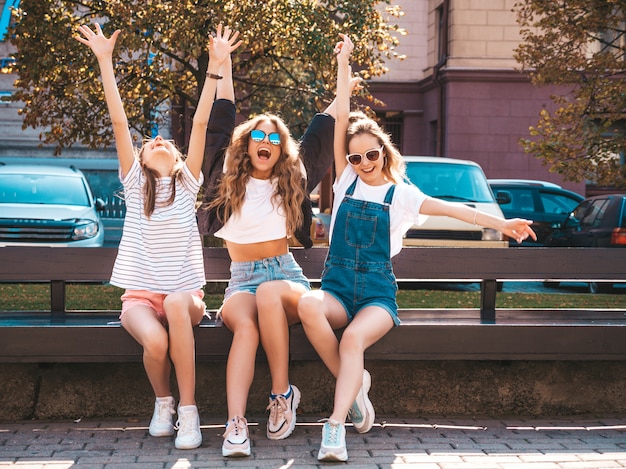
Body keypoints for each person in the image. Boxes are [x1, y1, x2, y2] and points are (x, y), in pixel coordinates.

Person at [297, 34, 538, 462]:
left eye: (370, 155)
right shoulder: (345, 181)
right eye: (354, 158)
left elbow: (459, 210)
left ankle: (335, 427)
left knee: (353, 340)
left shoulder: (402, 193)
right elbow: (341, 113)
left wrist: (502, 222)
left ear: (383, 152)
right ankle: (354, 385)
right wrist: (344, 63)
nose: (363, 164)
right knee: (309, 307)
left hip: (375, 296)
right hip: (334, 289)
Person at [75, 23, 242, 450]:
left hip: (184, 295)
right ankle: (164, 401)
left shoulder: (188, 182)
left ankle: (190, 412)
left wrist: (215, 69)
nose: (159, 140)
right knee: (154, 338)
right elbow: (118, 117)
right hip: (139, 297)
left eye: (165, 140)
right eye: (151, 142)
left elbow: (202, 122)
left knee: (172, 302)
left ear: (178, 157)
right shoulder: (134, 184)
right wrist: (104, 60)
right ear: (144, 160)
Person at [197, 40, 341, 457]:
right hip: (240, 280)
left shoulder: (292, 178)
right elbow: (221, 120)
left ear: (280, 148)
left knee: (267, 295)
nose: (264, 140)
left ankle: (282, 396)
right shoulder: (226, 175)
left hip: (284, 276)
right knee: (245, 323)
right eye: (257, 134)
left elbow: (324, 125)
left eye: (273, 138)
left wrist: (344, 70)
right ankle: (236, 424)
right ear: (247, 143)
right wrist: (219, 63)